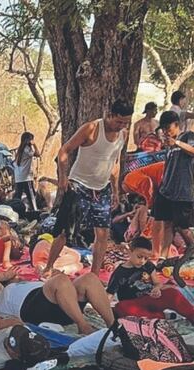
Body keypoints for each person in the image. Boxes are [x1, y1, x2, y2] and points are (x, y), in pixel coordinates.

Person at [44, 100, 132, 278]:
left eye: (125, 123)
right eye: (119, 121)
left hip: (102, 188)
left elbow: (114, 164)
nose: (121, 126)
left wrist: (115, 190)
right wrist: (63, 177)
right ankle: (48, 268)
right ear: (110, 114)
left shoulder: (123, 134)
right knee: (64, 231)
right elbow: (64, 151)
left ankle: (94, 275)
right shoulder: (92, 128)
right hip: (79, 185)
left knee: (102, 234)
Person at [0, 266, 116, 335]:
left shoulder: (27, 283)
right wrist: (6, 275)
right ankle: (83, 326)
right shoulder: (1, 295)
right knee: (60, 281)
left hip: (66, 308)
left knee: (89, 278)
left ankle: (112, 325)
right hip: (33, 309)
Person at [107, 237, 194, 321]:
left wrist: (157, 288)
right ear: (130, 252)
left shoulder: (148, 265)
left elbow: (157, 283)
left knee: (172, 293)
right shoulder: (119, 273)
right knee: (121, 308)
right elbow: (109, 295)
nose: (142, 261)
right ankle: (159, 317)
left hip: (151, 299)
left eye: (146, 258)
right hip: (133, 304)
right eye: (139, 257)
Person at [151, 111, 194, 259]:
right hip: (167, 189)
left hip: (182, 190)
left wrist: (177, 143)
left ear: (177, 125)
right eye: (164, 129)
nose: (166, 131)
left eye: (169, 127)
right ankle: (164, 255)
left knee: (182, 226)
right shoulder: (168, 145)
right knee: (166, 223)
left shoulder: (188, 136)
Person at [121, 161, 166, 241]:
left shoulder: (128, 179)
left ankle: (144, 236)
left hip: (167, 175)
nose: (127, 193)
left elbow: (146, 181)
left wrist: (149, 203)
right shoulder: (135, 182)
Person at [13, 132, 41, 213]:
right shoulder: (27, 149)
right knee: (31, 195)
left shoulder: (20, 149)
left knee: (18, 195)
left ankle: (15, 210)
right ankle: (35, 210)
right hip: (26, 177)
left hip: (18, 176)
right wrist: (34, 144)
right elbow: (38, 154)